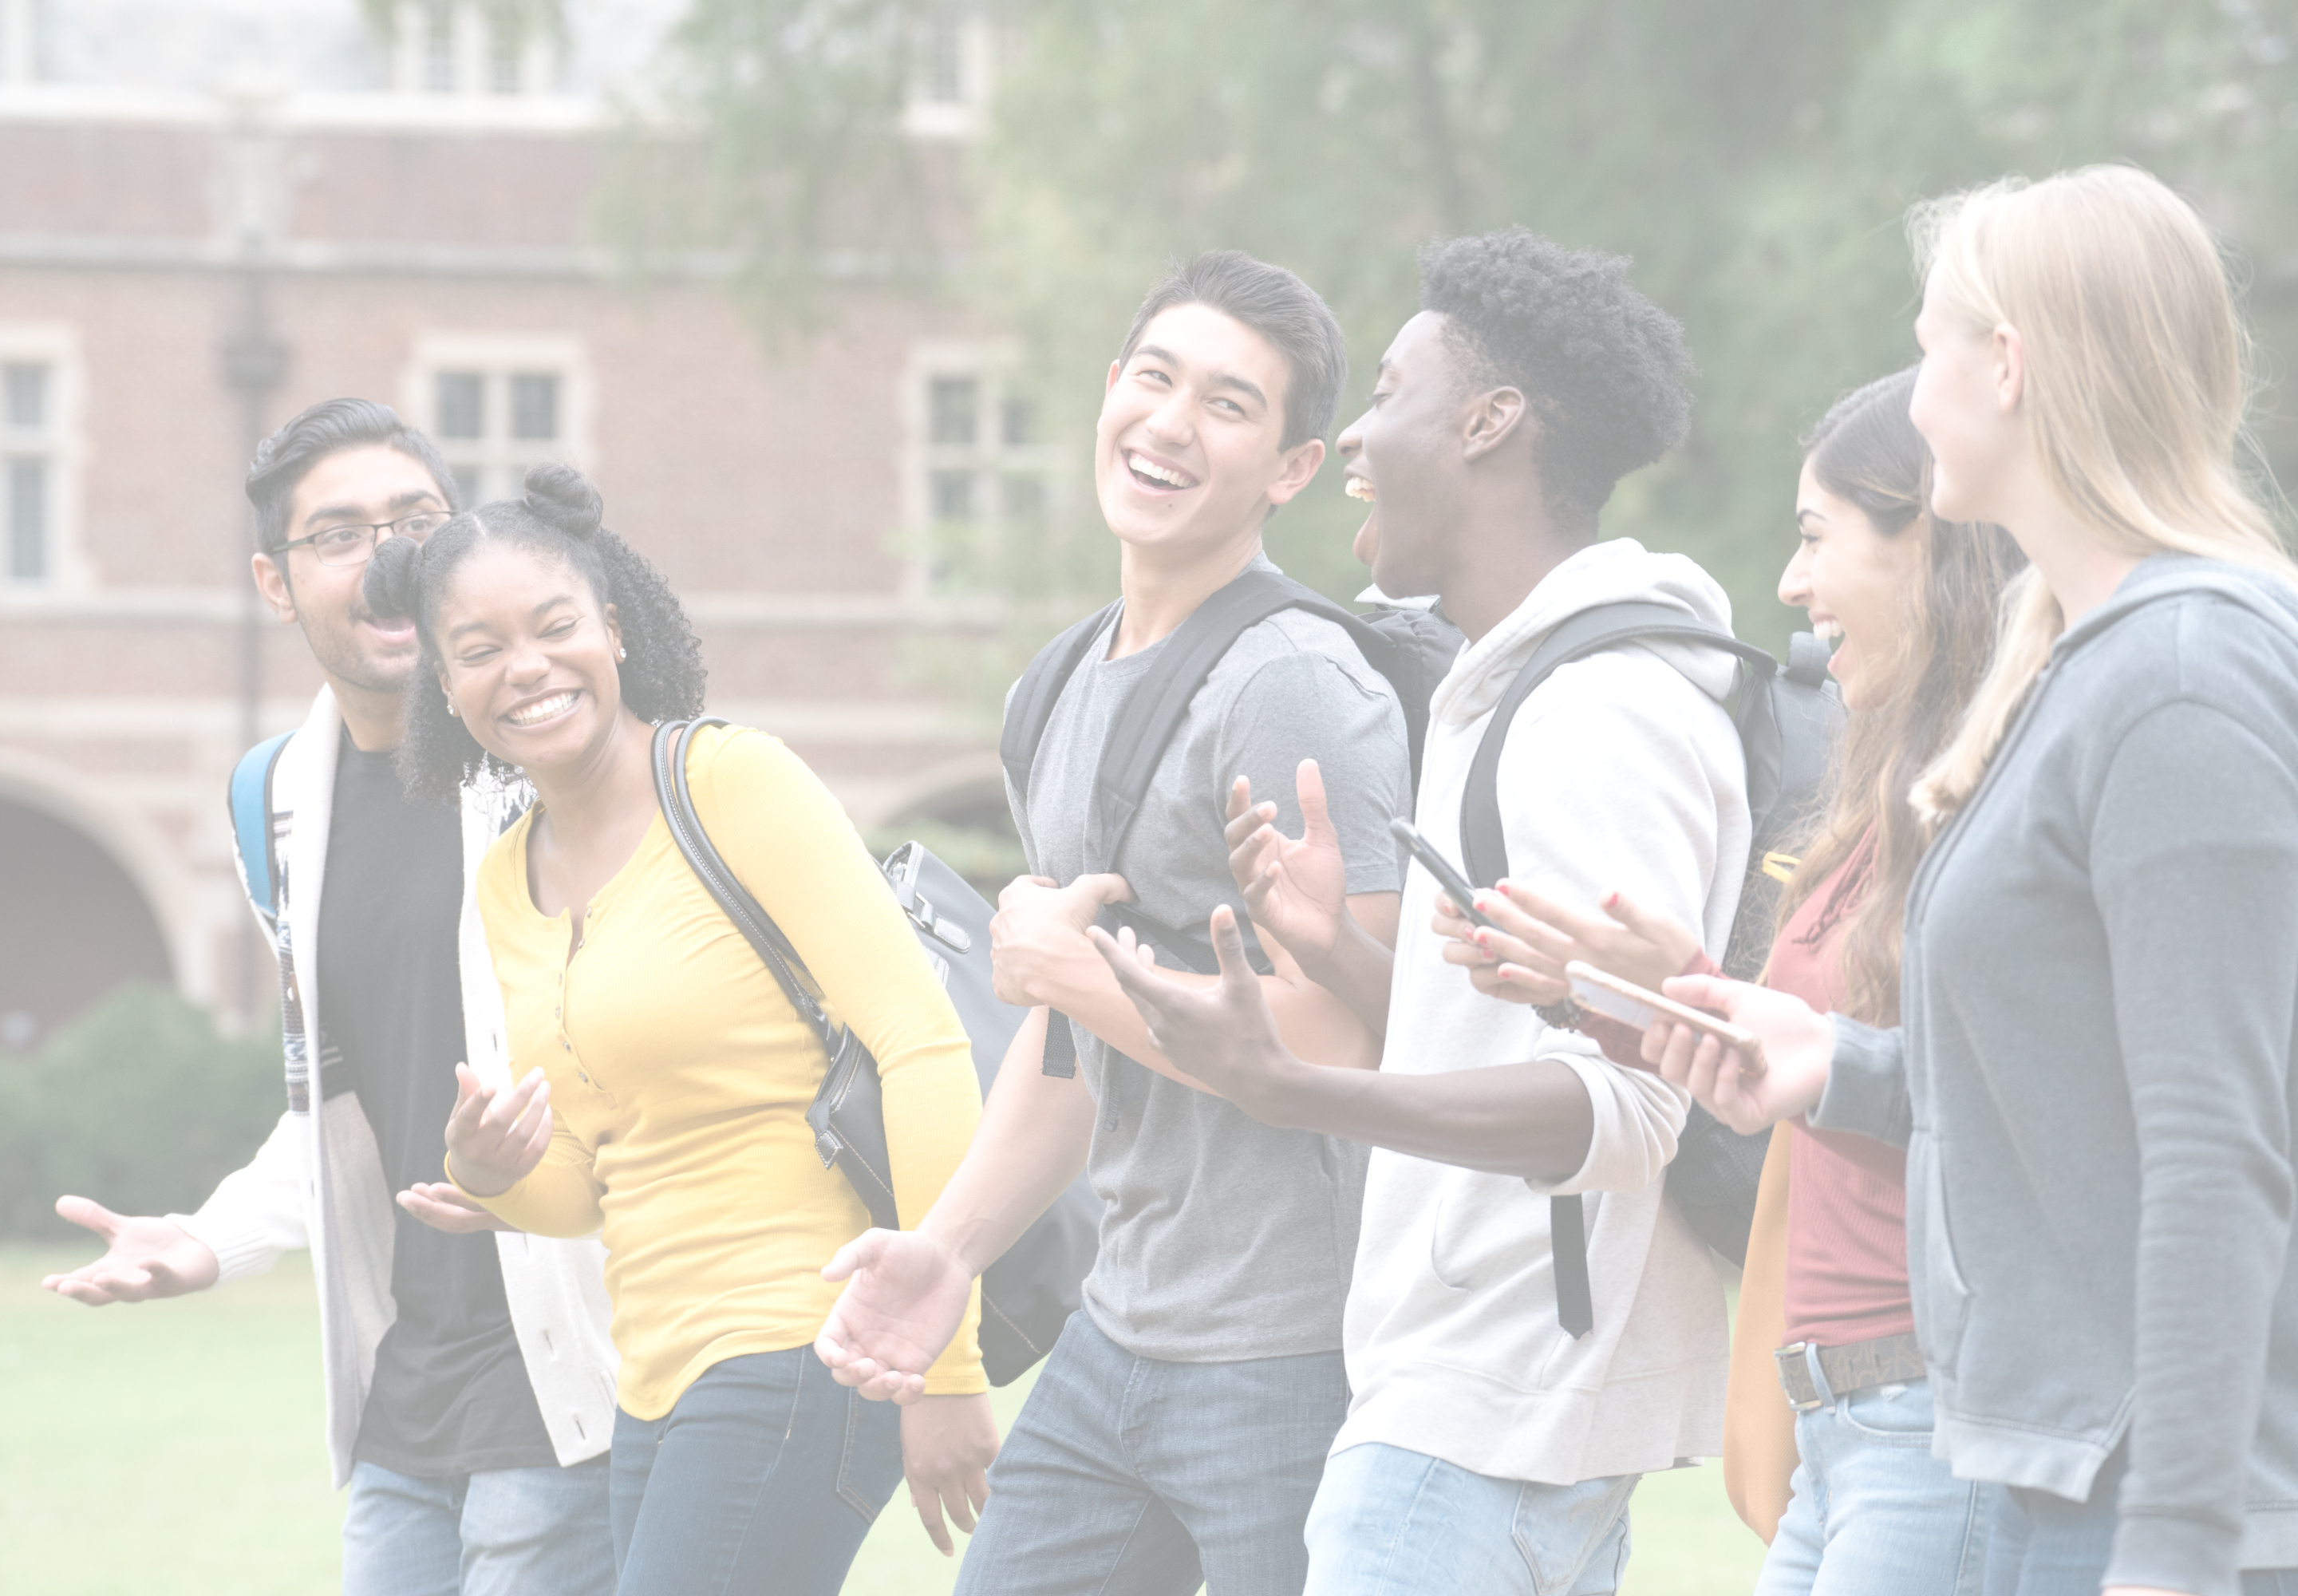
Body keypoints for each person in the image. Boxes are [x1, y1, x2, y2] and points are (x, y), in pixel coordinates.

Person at [1645, 166, 2298, 1596]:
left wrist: (2181, 1552)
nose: (1916, 380)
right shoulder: (2084, 662)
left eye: (1931, 336)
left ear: (2006, 366)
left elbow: (2217, 1150)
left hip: (2128, 1508)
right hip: (2042, 1478)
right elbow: (2071, 1101)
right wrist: (1832, 1066)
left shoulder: (2185, 675)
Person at [1089, 228, 1751, 1594]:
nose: (1352, 441)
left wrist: (1291, 1087)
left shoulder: (1596, 711)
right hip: (1465, 1403)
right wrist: (1335, 947)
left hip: (1484, 1416)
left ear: (1489, 422)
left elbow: (1633, 1110)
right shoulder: (1505, 691)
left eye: (1387, 393)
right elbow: (1532, 1052)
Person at [812, 251, 1412, 1595]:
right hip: (1117, 1334)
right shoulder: (1059, 684)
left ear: (1293, 467)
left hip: (1292, 1355)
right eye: (1155, 378)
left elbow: (1357, 1038)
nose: (1169, 424)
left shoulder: (1296, 684)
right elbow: (1070, 1052)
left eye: (1228, 405)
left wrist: (1078, 980)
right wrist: (949, 1252)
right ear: (1108, 390)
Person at [358, 464, 994, 1596]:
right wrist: (488, 1170)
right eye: (481, 649)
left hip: (811, 1338)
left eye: (555, 627)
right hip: (649, 1383)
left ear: (611, 627)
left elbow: (924, 1048)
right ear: (445, 686)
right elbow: (586, 1185)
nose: (528, 669)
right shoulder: (508, 880)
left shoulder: (730, 780)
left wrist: (947, 1362)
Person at [1437, 367, 2024, 1594]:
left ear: (1929, 541)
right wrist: (1645, 992)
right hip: (1840, 1426)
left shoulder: (2013, 797)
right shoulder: (1890, 797)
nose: (1791, 587)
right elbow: (1812, 1067)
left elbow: (2017, 1096)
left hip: (1934, 1417)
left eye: (1816, 538)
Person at [38, 399, 619, 1596]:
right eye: (341, 534)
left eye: (417, 521)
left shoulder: (552, 761)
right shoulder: (278, 804)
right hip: (405, 1400)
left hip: (573, 1381)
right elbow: (343, 1112)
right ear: (274, 580)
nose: (389, 556)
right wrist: (207, 1240)